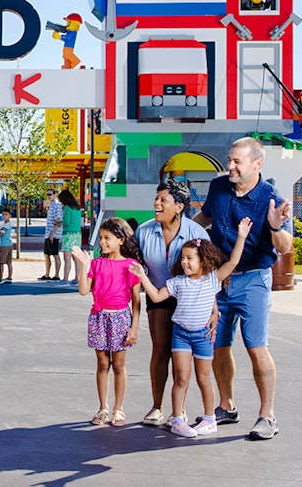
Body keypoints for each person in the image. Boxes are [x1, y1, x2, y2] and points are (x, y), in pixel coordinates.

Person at [192, 136, 294, 441]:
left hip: (253, 280)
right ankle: (226, 406)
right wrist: (181, 232)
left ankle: (267, 416)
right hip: (218, 278)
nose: (231, 165)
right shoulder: (219, 187)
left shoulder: (270, 198)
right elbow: (205, 217)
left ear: (257, 164)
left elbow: (286, 247)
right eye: (230, 159)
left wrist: (275, 226)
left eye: (238, 161)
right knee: (218, 346)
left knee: (255, 347)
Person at [129, 220, 250, 438]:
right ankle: (177, 420)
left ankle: (209, 419)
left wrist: (241, 236)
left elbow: (232, 262)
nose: (184, 262)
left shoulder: (212, 280)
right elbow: (156, 296)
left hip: (202, 337)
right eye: (182, 258)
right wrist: (142, 276)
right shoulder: (177, 282)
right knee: (181, 379)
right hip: (181, 335)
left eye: (189, 258)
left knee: (203, 378)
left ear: (203, 260)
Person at [134, 179, 211, 427]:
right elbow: (136, 270)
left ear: (179, 206)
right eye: (156, 199)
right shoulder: (144, 232)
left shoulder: (197, 234)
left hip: (191, 300)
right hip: (158, 296)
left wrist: (214, 310)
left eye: (163, 200)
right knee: (160, 350)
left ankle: (180, 410)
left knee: (183, 358)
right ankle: (157, 406)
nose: (156, 204)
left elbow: (209, 275)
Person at [72, 218, 142, 427]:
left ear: (121, 240)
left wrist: (134, 327)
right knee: (103, 364)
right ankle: (103, 407)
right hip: (99, 317)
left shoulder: (132, 266)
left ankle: (118, 409)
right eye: (101, 238)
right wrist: (84, 266)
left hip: (121, 318)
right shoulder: (96, 263)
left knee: (119, 365)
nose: (102, 242)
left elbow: (137, 301)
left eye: (107, 238)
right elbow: (84, 290)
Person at [58, 189, 83, 284]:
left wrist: (60, 223)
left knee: (67, 258)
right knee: (76, 258)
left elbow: (67, 222)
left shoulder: (67, 208)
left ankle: (65, 278)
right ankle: (77, 278)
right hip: (77, 234)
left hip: (68, 234)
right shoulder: (77, 208)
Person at [39, 189, 62, 281]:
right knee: (46, 254)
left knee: (55, 255)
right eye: (47, 194)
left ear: (55, 194)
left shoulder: (57, 206)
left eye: (50, 194)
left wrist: (52, 235)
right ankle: (47, 274)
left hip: (53, 235)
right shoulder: (51, 205)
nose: (48, 196)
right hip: (48, 234)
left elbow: (58, 220)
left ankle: (57, 275)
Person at [0, 210, 14, 283]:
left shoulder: (6, 225)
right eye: (3, 214)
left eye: (6, 214)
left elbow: (1, 234)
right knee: (9, 262)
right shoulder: (8, 224)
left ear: (10, 216)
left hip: (4, 245)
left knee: (1, 262)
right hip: (9, 244)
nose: (4, 216)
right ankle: (9, 277)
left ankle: (1, 277)